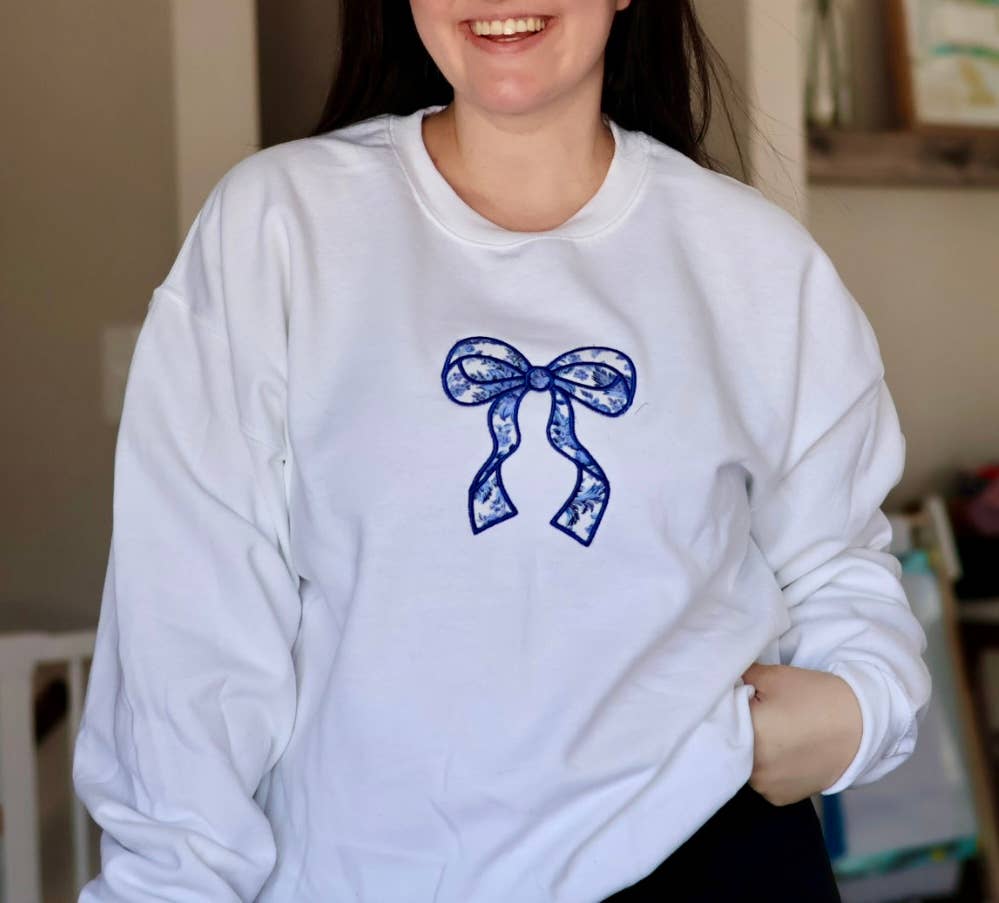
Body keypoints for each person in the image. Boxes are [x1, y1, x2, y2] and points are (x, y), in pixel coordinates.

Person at [72, 2, 932, 901]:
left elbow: (838, 561)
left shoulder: (755, 259)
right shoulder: (279, 225)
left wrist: (861, 705)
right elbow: (189, 616)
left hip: (705, 862)